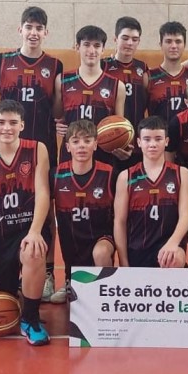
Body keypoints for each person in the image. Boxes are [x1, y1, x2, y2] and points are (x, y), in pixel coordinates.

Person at [0, 7, 64, 302]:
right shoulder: (2, 61)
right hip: (6, 151)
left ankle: (47, 274)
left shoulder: (54, 65)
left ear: (46, 33)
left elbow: (57, 110)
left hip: (42, 149)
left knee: (46, 213)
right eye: (28, 26)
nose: (33, 32)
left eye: (39, 27)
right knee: (4, 209)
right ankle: (4, 267)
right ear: (20, 30)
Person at [0, 100, 53, 345]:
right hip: (0, 238)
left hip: (28, 230)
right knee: (4, 305)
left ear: (22, 125)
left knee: (33, 252)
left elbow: (43, 193)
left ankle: (31, 318)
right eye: (2, 122)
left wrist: (36, 231)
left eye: (13, 123)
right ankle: (19, 288)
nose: (7, 128)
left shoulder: (37, 150)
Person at [52, 119, 117, 302]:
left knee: (101, 252)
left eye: (87, 141)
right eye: (76, 141)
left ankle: (108, 293)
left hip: (103, 236)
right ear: (67, 147)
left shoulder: (110, 174)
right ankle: (69, 282)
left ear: (96, 145)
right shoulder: (55, 175)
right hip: (71, 238)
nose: (82, 146)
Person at [114, 116, 188, 268]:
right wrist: (123, 261)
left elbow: (186, 215)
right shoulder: (126, 177)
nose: (152, 144)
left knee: (173, 258)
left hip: (168, 244)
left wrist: (173, 243)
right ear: (138, 142)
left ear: (167, 141)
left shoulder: (181, 173)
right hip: (137, 247)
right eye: (147, 139)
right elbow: (120, 221)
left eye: (158, 139)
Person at [54, 25, 130, 168]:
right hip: (70, 154)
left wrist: (123, 145)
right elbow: (57, 116)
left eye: (97, 45)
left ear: (103, 49)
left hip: (103, 155)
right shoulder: (62, 80)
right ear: (77, 47)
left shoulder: (117, 86)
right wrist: (56, 125)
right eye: (86, 45)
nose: (91, 50)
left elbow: (119, 125)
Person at [103, 16, 150, 173]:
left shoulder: (143, 68)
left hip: (136, 144)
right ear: (115, 39)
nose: (130, 43)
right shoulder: (103, 66)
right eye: (125, 38)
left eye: (134, 39)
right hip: (109, 141)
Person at [147, 21, 188, 124]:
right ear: (160, 44)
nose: (173, 46)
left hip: (187, 138)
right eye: (168, 41)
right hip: (159, 138)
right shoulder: (149, 76)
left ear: (184, 45)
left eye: (178, 41)